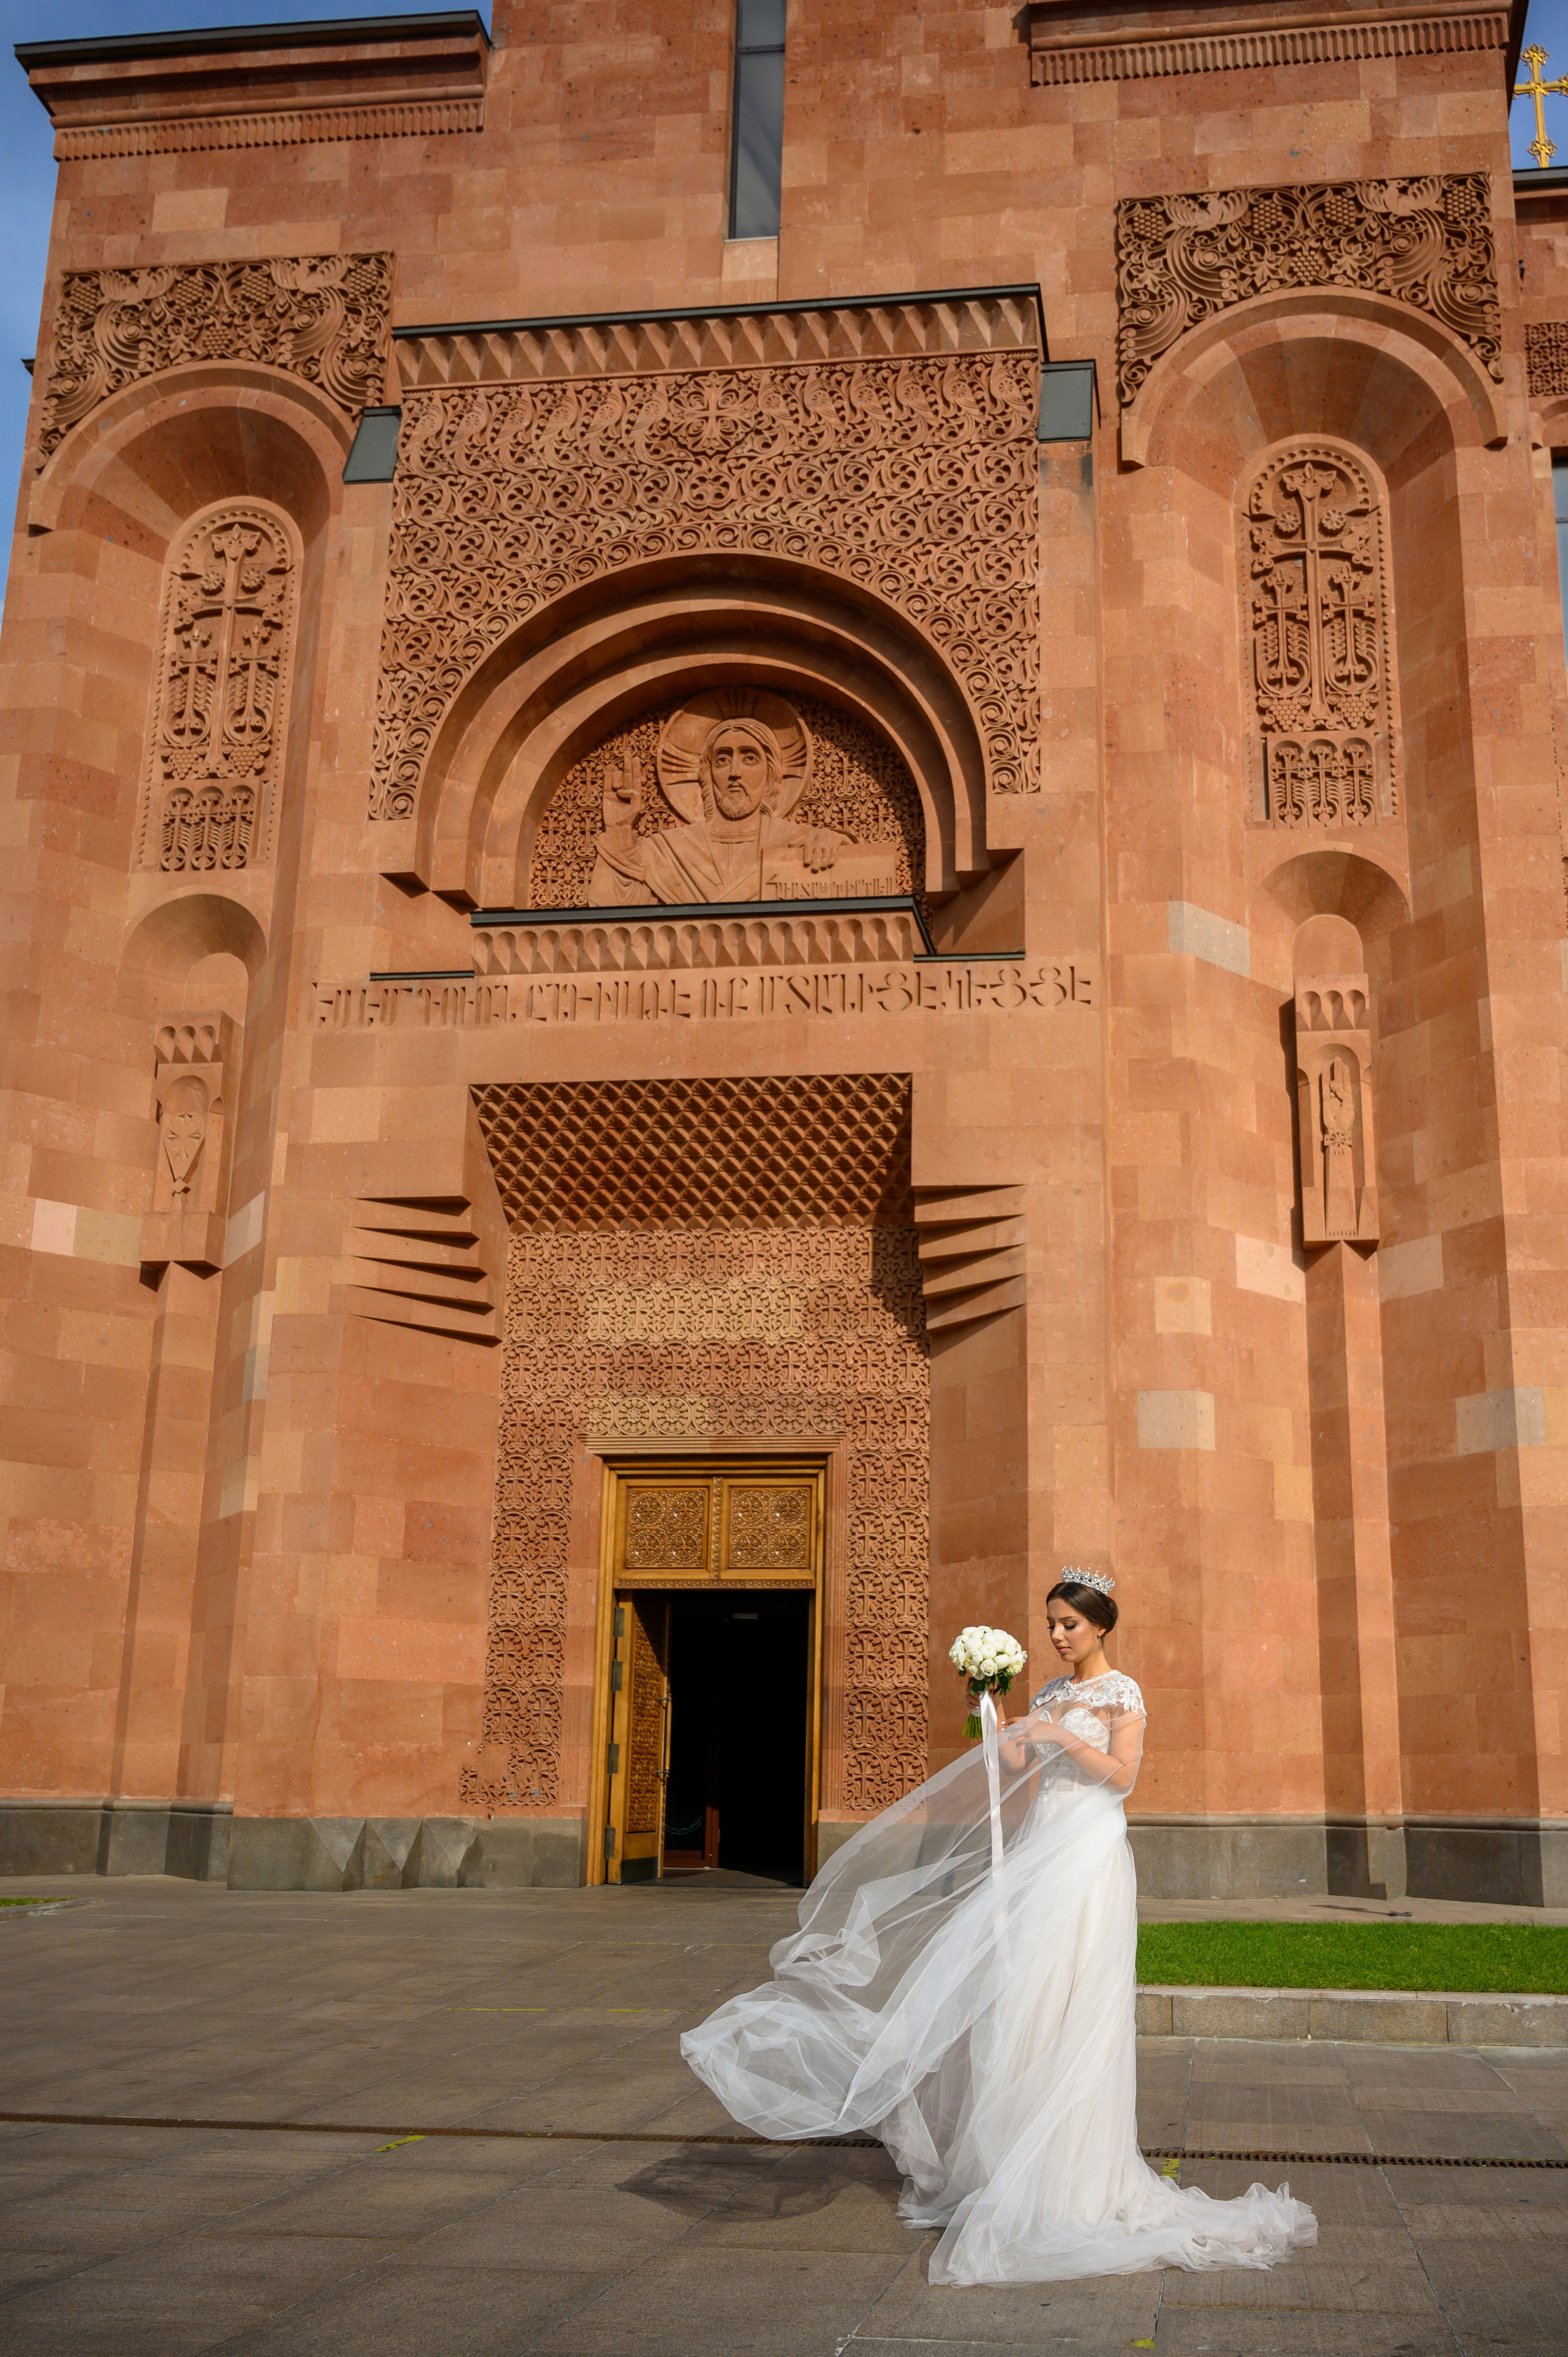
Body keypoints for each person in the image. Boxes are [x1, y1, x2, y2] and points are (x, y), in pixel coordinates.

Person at [680, 1575, 1317, 2285]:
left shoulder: (1122, 1693)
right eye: (1050, 1624)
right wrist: (993, 1710)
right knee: (1020, 2002)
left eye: (1069, 1624)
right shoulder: (1045, 1694)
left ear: (1100, 1627)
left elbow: (1123, 1777)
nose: (1057, 1635)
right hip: (1040, 1849)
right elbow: (1014, 1769)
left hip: (1090, 1854)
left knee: (1075, 2000)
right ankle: (1014, 2166)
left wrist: (1056, 1736)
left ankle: (1077, 2180)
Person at [588, 717, 848, 904]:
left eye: (749, 759)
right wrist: (619, 829)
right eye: (723, 760)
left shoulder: (801, 841)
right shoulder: (666, 850)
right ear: (707, 774)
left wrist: (838, 845)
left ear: (770, 774)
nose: (735, 773)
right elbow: (608, 912)